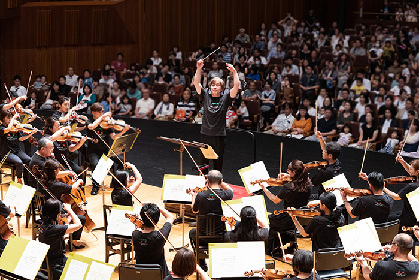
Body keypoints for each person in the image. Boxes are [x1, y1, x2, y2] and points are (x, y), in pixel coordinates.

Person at [193, 59, 239, 172]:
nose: (214, 87)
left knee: (218, 163)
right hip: (205, 134)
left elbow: (236, 87)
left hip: (219, 136)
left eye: (218, 85)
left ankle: (216, 186)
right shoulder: (205, 95)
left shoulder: (226, 96)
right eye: (213, 85)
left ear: (221, 88)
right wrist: (198, 69)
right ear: (209, 87)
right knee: (203, 164)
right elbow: (196, 83)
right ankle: (203, 186)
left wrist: (234, 72)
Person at [261, 160, 312, 256]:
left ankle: (271, 248)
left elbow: (275, 200)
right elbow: (298, 180)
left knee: (272, 219)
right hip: (302, 216)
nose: (287, 171)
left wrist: (265, 189)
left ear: (294, 172)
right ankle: (292, 243)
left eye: (289, 170)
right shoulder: (308, 183)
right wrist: (287, 176)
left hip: (288, 218)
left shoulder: (288, 187)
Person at [189, 170, 233, 269]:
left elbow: (194, 211)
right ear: (221, 181)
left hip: (203, 237)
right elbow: (229, 189)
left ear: (207, 182)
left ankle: (201, 262)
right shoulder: (227, 195)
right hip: (221, 236)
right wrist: (220, 182)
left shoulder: (201, 195)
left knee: (192, 232)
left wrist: (193, 196)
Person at [40, 159, 86, 248]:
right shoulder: (56, 185)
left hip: (45, 209)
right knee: (82, 218)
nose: (59, 171)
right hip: (55, 211)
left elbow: (58, 175)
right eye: (58, 169)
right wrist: (79, 181)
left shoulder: (43, 180)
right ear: (54, 171)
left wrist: (68, 172)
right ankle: (74, 241)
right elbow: (72, 188)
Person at [86, 103, 130, 195]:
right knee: (97, 165)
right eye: (100, 111)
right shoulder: (89, 121)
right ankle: (95, 186)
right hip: (93, 152)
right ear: (93, 112)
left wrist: (123, 131)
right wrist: (102, 118)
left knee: (122, 161)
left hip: (105, 151)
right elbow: (92, 127)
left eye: (103, 111)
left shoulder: (107, 123)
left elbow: (113, 137)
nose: (103, 113)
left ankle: (115, 182)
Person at [39, 199, 82, 280]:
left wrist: (67, 223)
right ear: (58, 214)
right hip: (57, 264)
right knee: (81, 270)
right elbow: (78, 225)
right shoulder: (53, 229)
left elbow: (59, 233)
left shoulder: (44, 225)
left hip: (48, 261)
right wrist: (70, 210)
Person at [132, 203, 175, 278]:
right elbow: (170, 217)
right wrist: (157, 207)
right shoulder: (160, 237)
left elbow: (140, 230)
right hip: (159, 276)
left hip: (141, 276)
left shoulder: (135, 235)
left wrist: (136, 221)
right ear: (157, 219)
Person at [0, 110, 37, 184]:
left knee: (29, 160)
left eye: (10, 118)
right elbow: (7, 130)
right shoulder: (1, 128)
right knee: (19, 162)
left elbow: (21, 139)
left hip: (17, 150)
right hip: (7, 152)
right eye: (8, 118)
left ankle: (27, 180)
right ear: (3, 119)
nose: (10, 120)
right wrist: (13, 118)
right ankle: (19, 180)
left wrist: (30, 134)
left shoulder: (15, 128)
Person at [384, 156, 419, 231]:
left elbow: (396, 197)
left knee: (385, 221)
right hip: (417, 218)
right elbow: (411, 172)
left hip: (408, 219)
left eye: (411, 169)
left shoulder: (412, 186)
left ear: (417, 171)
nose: (409, 170)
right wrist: (402, 161)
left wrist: (383, 188)